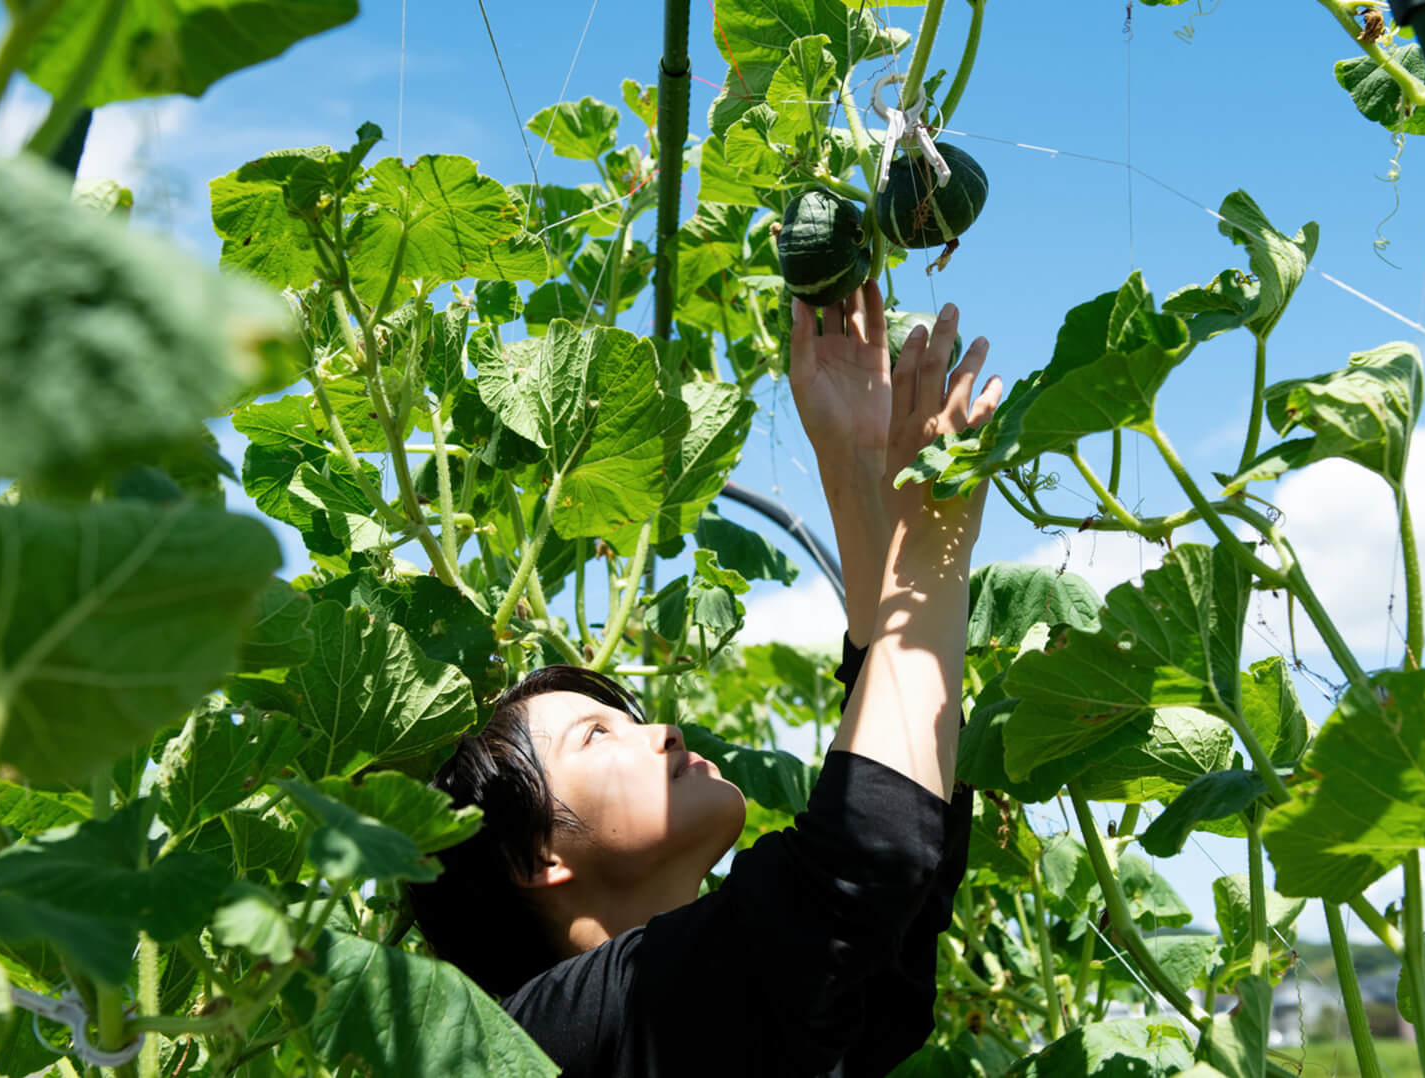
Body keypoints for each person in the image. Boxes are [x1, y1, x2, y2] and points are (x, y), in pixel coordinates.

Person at [407, 281, 1004, 1076]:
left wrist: (861, 473)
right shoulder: (546, 1033)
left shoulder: (692, 1006)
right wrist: (929, 539)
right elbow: (868, 858)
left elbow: (896, 893)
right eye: (597, 735)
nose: (665, 731)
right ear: (530, 859)